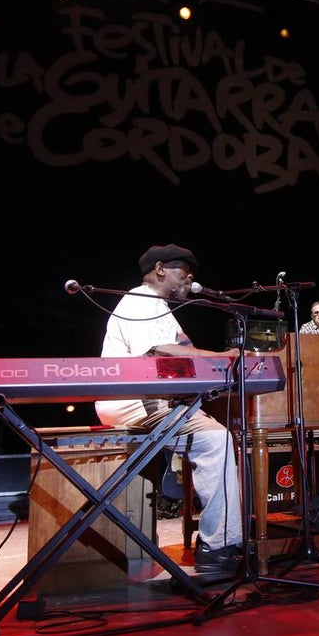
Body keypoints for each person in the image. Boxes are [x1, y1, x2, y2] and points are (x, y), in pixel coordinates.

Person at [94, 244, 244, 573]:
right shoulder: (140, 300)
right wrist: (222, 359)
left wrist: (219, 361)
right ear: (160, 269)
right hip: (131, 403)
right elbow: (161, 351)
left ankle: (222, 537)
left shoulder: (162, 308)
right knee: (216, 439)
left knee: (211, 430)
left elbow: (184, 348)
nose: (188, 279)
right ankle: (217, 545)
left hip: (151, 401)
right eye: (183, 272)